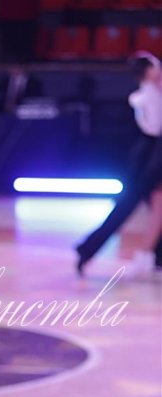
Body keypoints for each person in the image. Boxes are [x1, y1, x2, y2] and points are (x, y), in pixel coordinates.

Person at [75, 53, 162, 275]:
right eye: (156, 67)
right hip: (149, 158)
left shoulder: (151, 93)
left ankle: (152, 257)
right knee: (129, 206)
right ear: (147, 72)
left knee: (155, 207)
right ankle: (88, 248)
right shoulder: (145, 95)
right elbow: (154, 127)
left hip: (151, 155)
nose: (160, 70)